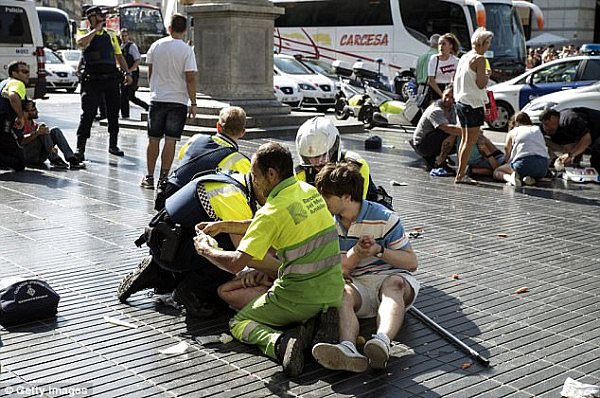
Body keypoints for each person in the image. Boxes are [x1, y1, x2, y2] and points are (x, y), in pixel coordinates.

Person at [193, 142, 344, 377]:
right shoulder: (308, 191)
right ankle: (315, 325)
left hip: (299, 296)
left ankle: (280, 343)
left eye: (254, 174)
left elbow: (236, 263)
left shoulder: (271, 212)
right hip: (334, 290)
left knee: (238, 323)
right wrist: (223, 226)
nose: (253, 181)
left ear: (271, 174)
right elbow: (266, 225)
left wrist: (205, 250)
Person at [118, 170, 278, 318]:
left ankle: (158, 273)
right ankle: (191, 292)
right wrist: (284, 270)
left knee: (223, 240)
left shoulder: (237, 179)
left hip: (165, 242)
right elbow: (245, 256)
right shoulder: (234, 198)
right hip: (171, 249)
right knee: (228, 254)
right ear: (259, 180)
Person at [311, 162, 419, 372]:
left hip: (389, 280)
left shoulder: (385, 218)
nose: (322, 202)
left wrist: (379, 250)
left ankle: (382, 342)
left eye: (327, 197)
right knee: (341, 291)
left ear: (346, 197)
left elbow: (411, 263)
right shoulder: (328, 224)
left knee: (394, 283)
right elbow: (340, 270)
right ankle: (348, 348)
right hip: (358, 284)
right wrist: (357, 253)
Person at [142, 13, 197, 189]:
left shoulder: (156, 46)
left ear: (169, 28)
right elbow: (189, 78)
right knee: (170, 140)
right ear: (185, 30)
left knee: (153, 139)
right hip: (178, 100)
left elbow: (150, 72)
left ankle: (149, 177)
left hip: (157, 98)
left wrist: (155, 89)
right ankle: (163, 178)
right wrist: (193, 102)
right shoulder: (187, 50)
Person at [74, 6, 132, 161]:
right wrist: (94, 31)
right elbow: (81, 43)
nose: (103, 19)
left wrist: (128, 72)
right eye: (100, 16)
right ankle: (80, 148)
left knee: (113, 113)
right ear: (91, 19)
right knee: (88, 114)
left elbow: (119, 56)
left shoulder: (111, 35)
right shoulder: (83, 33)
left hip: (111, 79)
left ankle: (113, 145)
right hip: (91, 80)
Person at [295, 116, 388, 207]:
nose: (317, 162)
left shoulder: (356, 165)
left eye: (322, 156)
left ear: (334, 149)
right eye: (311, 158)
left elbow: (354, 209)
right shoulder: (302, 172)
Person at [453, 27, 494, 185]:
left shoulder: (465, 57)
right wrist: (486, 74)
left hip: (462, 102)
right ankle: (461, 175)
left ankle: (460, 173)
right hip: (473, 104)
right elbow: (481, 83)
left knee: (464, 140)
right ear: (483, 43)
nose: (489, 46)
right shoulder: (480, 59)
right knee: (470, 142)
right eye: (488, 43)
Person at [21, 100, 86, 169]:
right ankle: (54, 158)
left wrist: (50, 145)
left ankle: (71, 158)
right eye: (33, 110)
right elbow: (21, 141)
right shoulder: (20, 124)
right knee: (42, 131)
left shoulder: (35, 124)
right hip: (27, 156)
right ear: (25, 113)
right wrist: (37, 133)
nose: (37, 112)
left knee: (55, 130)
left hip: (40, 156)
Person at [411, 84, 461, 171]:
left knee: (456, 134)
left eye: (452, 97)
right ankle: (438, 161)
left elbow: (457, 126)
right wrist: (471, 132)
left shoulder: (453, 108)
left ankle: (440, 159)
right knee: (452, 132)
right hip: (422, 144)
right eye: (446, 96)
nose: (448, 99)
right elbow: (447, 128)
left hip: (437, 138)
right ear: (442, 94)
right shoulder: (435, 110)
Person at [493, 112, 548, 186]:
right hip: (543, 167)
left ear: (515, 123)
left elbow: (507, 149)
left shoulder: (513, 131)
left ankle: (511, 179)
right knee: (531, 171)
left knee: (497, 171)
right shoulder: (537, 129)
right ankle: (529, 179)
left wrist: (507, 161)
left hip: (523, 165)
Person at [0, 60, 29, 171]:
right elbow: (13, 96)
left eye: (28, 71)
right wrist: (20, 116)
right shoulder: (17, 83)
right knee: (19, 163)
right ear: (14, 73)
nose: (28, 74)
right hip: (4, 123)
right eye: (24, 71)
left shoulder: (4, 82)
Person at [119, 28, 149, 119]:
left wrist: (130, 71)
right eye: (122, 36)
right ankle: (147, 107)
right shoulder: (121, 46)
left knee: (126, 95)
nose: (123, 37)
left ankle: (126, 115)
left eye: (125, 36)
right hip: (124, 74)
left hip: (133, 73)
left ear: (128, 36)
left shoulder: (132, 46)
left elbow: (137, 60)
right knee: (128, 96)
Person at [426, 33, 460, 103]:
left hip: (449, 89)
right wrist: (442, 95)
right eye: (439, 44)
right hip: (436, 89)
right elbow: (431, 79)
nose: (441, 46)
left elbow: (456, 78)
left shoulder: (455, 61)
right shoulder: (434, 59)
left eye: (444, 44)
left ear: (450, 46)